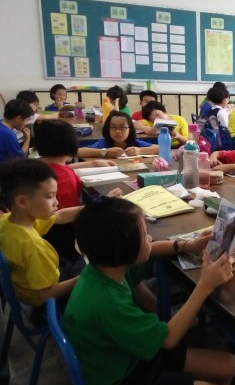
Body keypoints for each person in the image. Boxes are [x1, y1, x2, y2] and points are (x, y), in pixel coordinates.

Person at [63, 197, 235, 385]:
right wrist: (204, 286)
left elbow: (150, 250)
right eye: (145, 235)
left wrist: (185, 245)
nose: (150, 238)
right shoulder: (106, 302)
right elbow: (169, 339)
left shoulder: (105, 267)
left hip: (128, 360)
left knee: (229, 365)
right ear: (125, 249)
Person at [0, 159, 81, 320]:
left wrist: (93, 207)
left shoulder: (8, 220)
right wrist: (86, 278)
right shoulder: (33, 247)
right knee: (87, 267)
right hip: (43, 300)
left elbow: (59, 216)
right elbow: (47, 294)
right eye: (50, 197)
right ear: (22, 201)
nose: (57, 202)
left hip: (23, 285)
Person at [36, 119, 121, 265]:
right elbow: (70, 215)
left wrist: (93, 163)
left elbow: (63, 167)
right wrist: (104, 201)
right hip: (61, 241)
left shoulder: (39, 165)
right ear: (70, 144)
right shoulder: (65, 178)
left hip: (42, 231)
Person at [78, 111, 158, 159]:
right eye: (113, 127)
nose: (118, 131)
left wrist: (140, 150)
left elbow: (159, 148)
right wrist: (106, 152)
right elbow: (79, 152)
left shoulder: (134, 143)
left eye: (122, 127)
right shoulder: (104, 143)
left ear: (130, 129)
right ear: (108, 129)